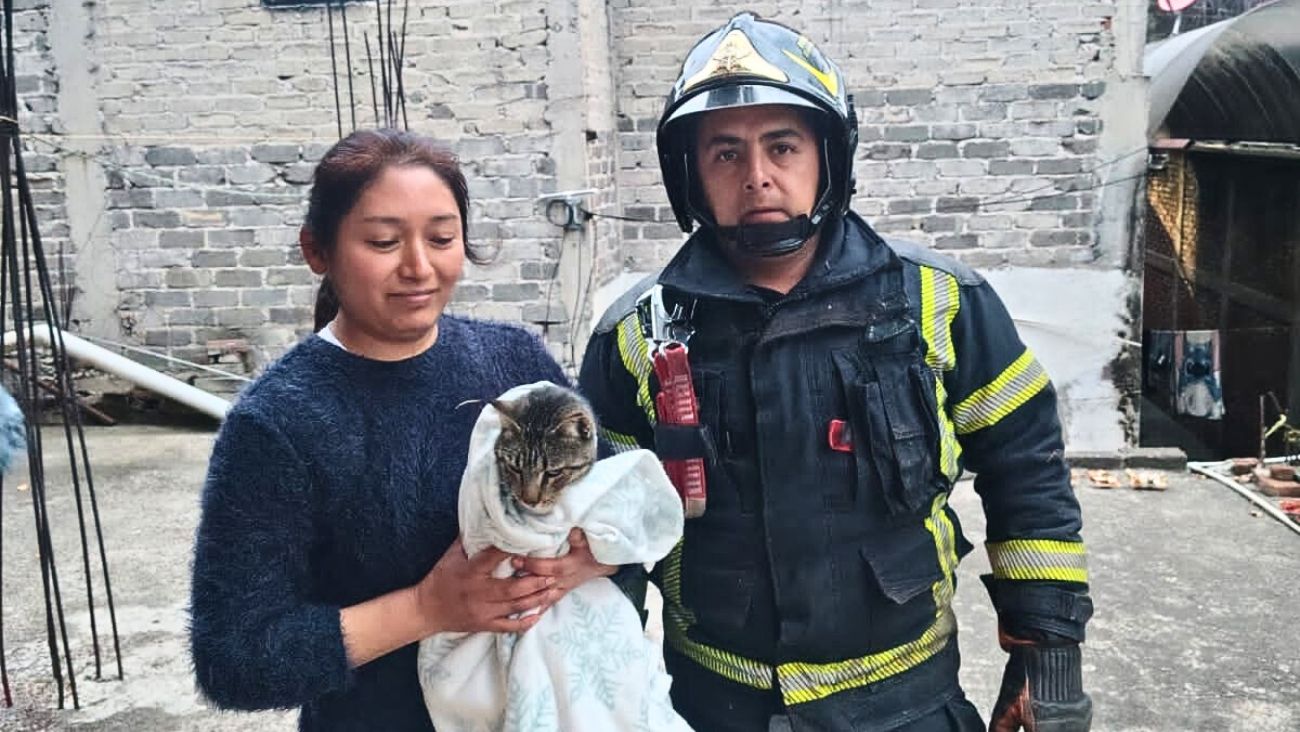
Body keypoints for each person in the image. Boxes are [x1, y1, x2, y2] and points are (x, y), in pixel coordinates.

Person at [579, 13, 1093, 732]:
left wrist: (1049, 664)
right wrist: (598, 691)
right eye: (725, 153)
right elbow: (611, 539)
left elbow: (1028, 479)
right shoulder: (634, 337)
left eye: (782, 146)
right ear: (689, 175)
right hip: (711, 710)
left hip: (908, 705)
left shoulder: (939, 304)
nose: (757, 176)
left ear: (829, 155)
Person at [189, 128, 615, 731]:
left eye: (441, 238)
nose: (419, 267)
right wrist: (425, 609)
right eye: (384, 241)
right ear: (318, 251)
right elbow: (234, 658)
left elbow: (613, 492)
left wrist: (588, 561)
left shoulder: (514, 362)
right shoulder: (278, 422)